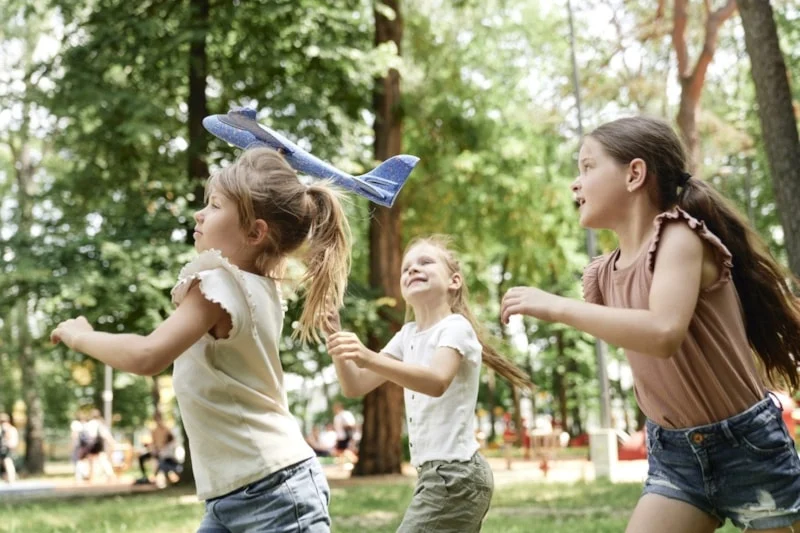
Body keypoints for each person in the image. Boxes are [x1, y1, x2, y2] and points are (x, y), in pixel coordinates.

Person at [500, 116, 800, 533]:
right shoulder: (603, 275)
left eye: (587, 167)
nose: (576, 183)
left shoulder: (680, 237)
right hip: (675, 454)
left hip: (745, 446)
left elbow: (662, 333)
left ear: (634, 173)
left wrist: (555, 307)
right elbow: (626, 330)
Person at [51, 146, 351, 532]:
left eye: (214, 205)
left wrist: (82, 336)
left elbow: (147, 356)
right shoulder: (259, 287)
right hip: (241, 493)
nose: (199, 213)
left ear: (255, 232)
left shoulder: (218, 284)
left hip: (271, 493)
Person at [327, 235, 531, 533]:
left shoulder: (455, 328)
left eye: (425, 262)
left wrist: (368, 356)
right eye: (406, 268)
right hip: (437, 477)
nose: (412, 270)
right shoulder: (407, 335)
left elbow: (436, 382)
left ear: (454, 281)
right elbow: (355, 386)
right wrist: (335, 338)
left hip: (456, 476)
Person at [136, 412, 173, 483]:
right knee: (141, 458)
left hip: (164, 452)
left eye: (159, 418)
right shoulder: (154, 430)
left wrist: (164, 448)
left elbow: (171, 440)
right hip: (156, 451)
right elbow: (153, 443)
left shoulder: (167, 429)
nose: (157, 420)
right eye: (156, 419)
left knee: (161, 462)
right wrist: (152, 449)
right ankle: (145, 476)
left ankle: (161, 477)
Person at [0, 413, 19, 484]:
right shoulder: (2, 430)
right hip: (3, 449)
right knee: (4, 463)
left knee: (8, 462)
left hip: (9, 449)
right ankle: (6, 477)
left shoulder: (11, 429)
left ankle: (11, 478)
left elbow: (12, 441)